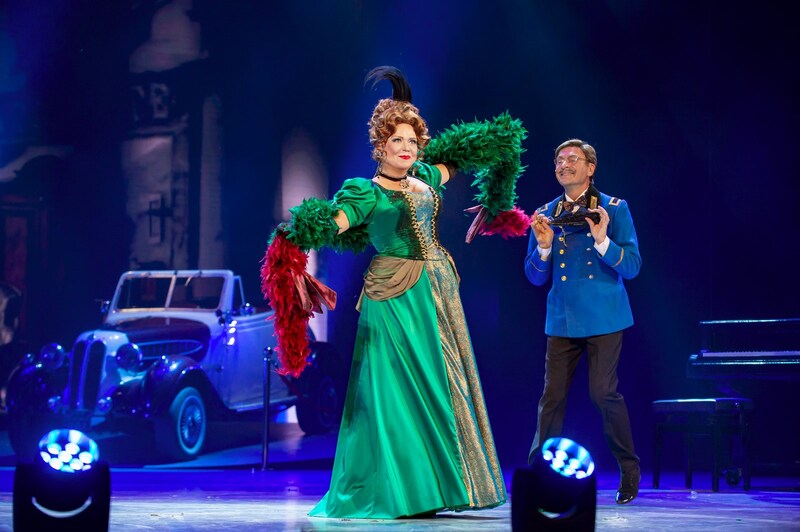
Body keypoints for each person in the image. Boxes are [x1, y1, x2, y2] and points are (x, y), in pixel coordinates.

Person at [260, 66, 527, 519]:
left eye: (412, 140)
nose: (407, 148)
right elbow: (333, 223)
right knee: (396, 392)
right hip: (394, 294)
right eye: (397, 140)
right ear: (380, 146)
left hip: (438, 290)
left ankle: (439, 487)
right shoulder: (366, 193)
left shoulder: (425, 177)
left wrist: (498, 203)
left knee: (442, 386)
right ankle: (403, 491)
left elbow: (499, 143)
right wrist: (294, 239)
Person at [525, 138, 642, 504]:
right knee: (552, 398)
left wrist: (603, 241)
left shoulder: (613, 209)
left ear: (590, 168)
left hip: (604, 316)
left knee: (603, 393)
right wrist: (544, 246)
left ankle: (629, 469)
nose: (564, 165)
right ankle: (539, 475)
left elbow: (633, 267)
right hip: (562, 317)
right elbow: (534, 276)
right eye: (559, 160)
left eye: (572, 159)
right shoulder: (545, 213)